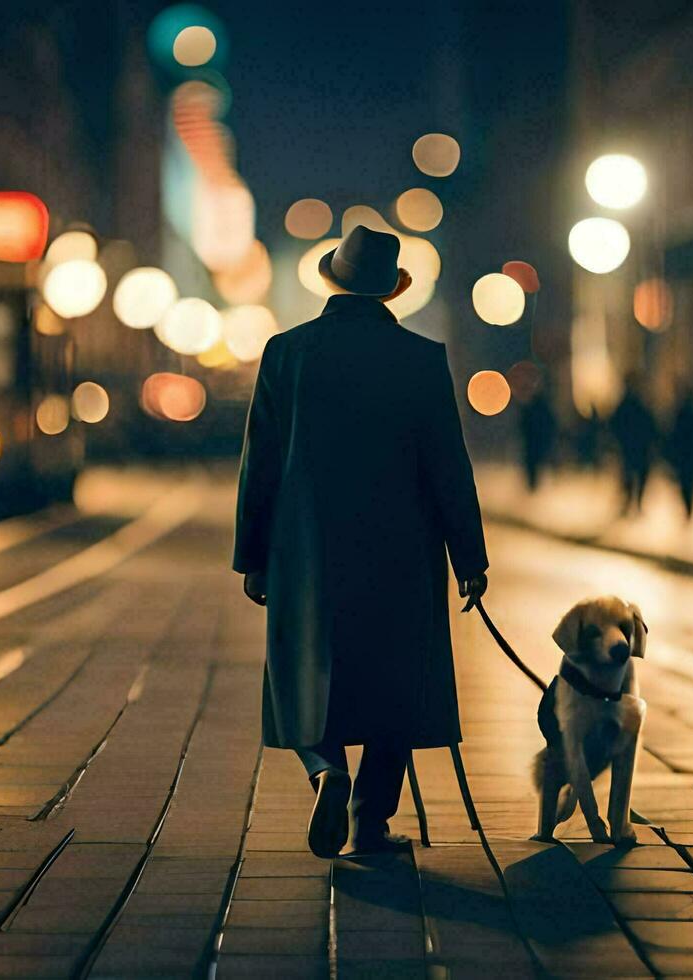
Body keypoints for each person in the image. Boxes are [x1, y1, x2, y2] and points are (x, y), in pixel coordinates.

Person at [234, 225, 488, 859]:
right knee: (394, 681)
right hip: (401, 549)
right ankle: (369, 822)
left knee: (300, 668)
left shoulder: (286, 353)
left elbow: (259, 461)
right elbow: (447, 465)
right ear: (389, 292)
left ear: (333, 281)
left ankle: (325, 768)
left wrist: (254, 556)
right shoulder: (420, 358)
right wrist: (469, 558)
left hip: (305, 549)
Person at [610, 376, 657, 515]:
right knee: (631, 477)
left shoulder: (634, 405)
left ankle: (634, 503)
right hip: (632, 447)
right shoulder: (629, 406)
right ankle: (630, 504)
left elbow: (649, 425)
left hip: (637, 447)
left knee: (636, 476)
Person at [665, 387, 693, 517]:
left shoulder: (681, 416)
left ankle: (688, 508)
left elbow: (674, 436)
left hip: (684, 456)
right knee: (689, 483)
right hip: (690, 456)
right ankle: (689, 508)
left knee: (686, 483)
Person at [518, 386, 558, 492]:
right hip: (537, 440)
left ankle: (532, 484)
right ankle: (533, 484)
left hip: (532, 441)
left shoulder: (530, 408)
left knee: (532, 462)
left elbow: (523, 424)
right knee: (535, 461)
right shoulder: (542, 409)